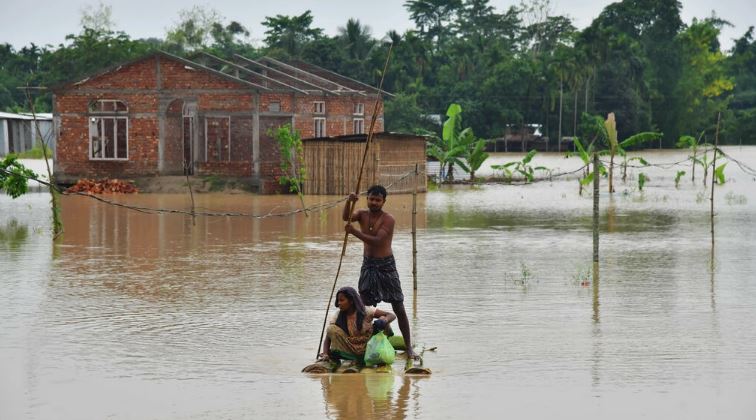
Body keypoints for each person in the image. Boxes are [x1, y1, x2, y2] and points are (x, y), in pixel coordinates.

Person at [343, 185, 418, 359]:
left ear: (384, 201)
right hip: (368, 265)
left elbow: (377, 241)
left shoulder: (388, 219)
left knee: (398, 306)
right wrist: (349, 202)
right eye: (371, 199)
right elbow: (346, 217)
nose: (374, 202)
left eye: (378, 200)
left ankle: (408, 348)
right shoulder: (362, 214)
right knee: (361, 306)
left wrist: (354, 232)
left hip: (386, 266)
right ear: (367, 198)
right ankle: (361, 344)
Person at [319, 286, 396, 362]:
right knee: (331, 328)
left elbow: (391, 315)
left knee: (382, 319)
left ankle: (387, 336)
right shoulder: (337, 315)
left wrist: (384, 320)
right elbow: (328, 337)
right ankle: (355, 358)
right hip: (351, 347)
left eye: (342, 300)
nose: (339, 303)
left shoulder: (366, 311)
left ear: (351, 301)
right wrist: (325, 354)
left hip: (368, 345)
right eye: (338, 301)